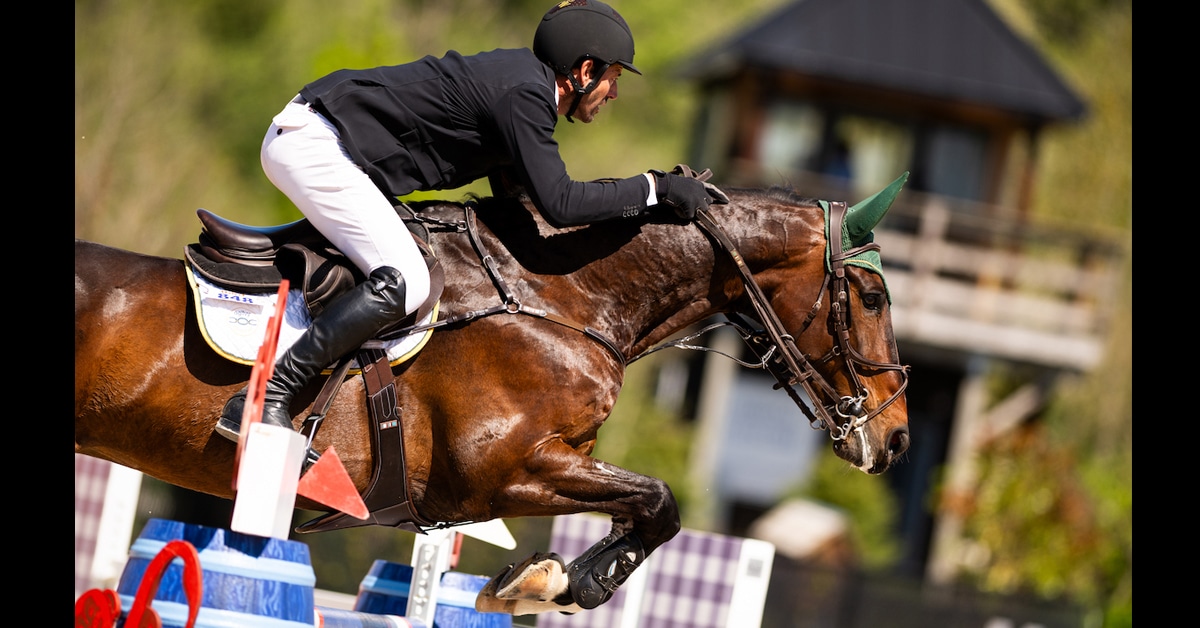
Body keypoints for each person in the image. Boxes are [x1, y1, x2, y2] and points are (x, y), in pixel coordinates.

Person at [214, 0, 719, 442]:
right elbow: (561, 203)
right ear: (585, 70)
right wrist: (657, 187)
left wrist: (648, 210)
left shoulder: (524, 85)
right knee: (407, 281)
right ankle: (264, 399)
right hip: (317, 145)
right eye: (613, 79)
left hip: (323, 141)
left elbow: (528, 215)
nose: (613, 93)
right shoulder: (525, 96)